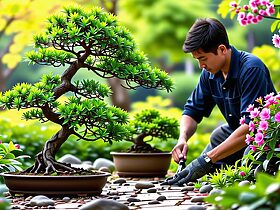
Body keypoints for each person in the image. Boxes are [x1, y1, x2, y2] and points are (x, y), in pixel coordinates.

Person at [162, 18, 276, 185]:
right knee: (218, 136)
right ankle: (213, 174)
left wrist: (207, 159)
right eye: (197, 60)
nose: (201, 65)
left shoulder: (251, 68)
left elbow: (250, 129)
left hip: (263, 140)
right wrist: (183, 138)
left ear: (222, 49)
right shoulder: (209, 73)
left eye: (203, 58)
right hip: (237, 135)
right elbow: (192, 111)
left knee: (247, 160)